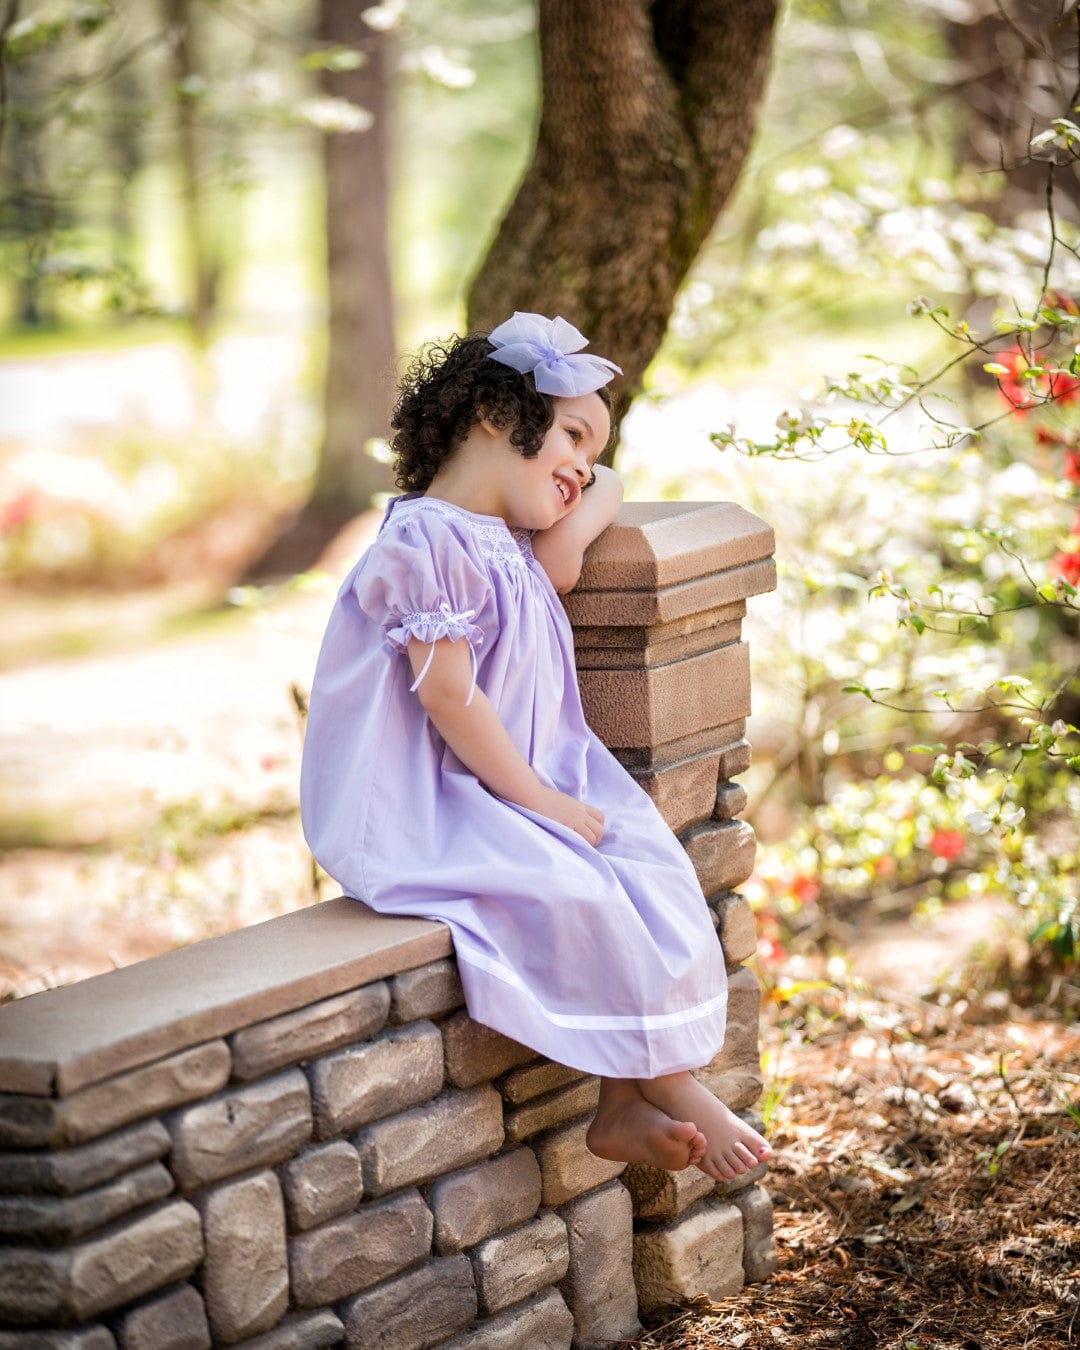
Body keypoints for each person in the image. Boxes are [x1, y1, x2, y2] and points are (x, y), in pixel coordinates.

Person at [300, 312, 773, 1182]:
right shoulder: (425, 540)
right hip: (431, 796)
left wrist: (589, 476)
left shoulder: (514, 544)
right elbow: (446, 693)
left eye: (591, 451)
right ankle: (675, 1086)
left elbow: (594, 508)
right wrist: (540, 799)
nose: (584, 468)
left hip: (516, 777)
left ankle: (621, 1102)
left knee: (650, 873)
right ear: (494, 416)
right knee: (575, 888)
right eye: (571, 436)